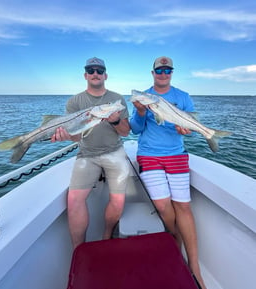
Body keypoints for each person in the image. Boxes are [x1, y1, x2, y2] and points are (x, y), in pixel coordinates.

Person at [130, 56, 207, 289]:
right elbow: (134, 129)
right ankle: (176, 243)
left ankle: (194, 267)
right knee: (164, 206)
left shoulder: (182, 97)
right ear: (152, 73)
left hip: (176, 155)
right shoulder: (143, 98)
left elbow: (189, 128)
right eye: (159, 70)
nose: (163, 73)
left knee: (183, 206)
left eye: (167, 70)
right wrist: (141, 112)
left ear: (171, 73)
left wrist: (189, 131)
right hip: (149, 155)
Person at [51, 57, 131, 249]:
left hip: (114, 152)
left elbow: (126, 132)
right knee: (74, 199)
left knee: (119, 199)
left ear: (106, 75)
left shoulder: (117, 99)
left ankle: (106, 236)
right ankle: (79, 250)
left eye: (99, 70)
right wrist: (66, 136)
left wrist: (114, 121)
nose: (95, 74)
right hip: (87, 154)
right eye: (91, 70)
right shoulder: (74, 101)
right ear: (85, 75)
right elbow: (78, 137)